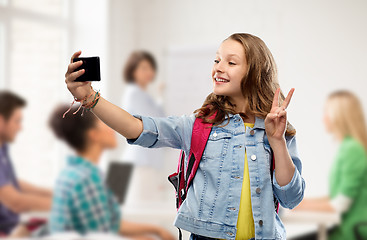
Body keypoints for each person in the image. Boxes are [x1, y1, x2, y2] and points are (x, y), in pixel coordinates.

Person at [64, 33, 305, 240]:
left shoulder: (278, 130)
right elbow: (138, 128)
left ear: (255, 72)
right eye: (217, 60)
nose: (218, 67)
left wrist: (277, 141)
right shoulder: (199, 125)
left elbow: (291, 198)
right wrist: (89, 98)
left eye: (231, 62)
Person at [48, 104, 175, 240]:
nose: (114, 129)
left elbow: (109, 224)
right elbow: (102, 235)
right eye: (105, 124)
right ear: (94, 134)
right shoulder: (86, 178)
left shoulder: (76, 172)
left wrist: (155, 230)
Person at [293, 90, 367, 240]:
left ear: (339, 117)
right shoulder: (348, 146)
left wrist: (297, 206)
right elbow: (337, 196)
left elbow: (340, 204)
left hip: (353, 232)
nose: (324, 118)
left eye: (327, 112)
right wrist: (300, 202)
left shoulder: (352, 149)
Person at [0, 90, 52, 236]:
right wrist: (64, 204)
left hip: (15, 226)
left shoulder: (3, 148)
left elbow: (12, 184)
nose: (20, 127)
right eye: (17, 121)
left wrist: (55, 193)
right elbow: (16, 202)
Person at [121, 51, 167, 205]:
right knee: (145, 210)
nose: (149, 72)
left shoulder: (141, 94)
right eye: (143, 68)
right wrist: (162, 97)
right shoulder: (134, 93)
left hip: (143, 161)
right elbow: (155, 121)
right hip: (141, 163)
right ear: (133, 70)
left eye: (150, 68)